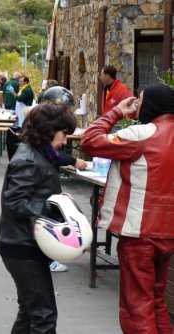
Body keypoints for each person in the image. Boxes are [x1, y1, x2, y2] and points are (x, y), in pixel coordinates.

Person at [81, 83, 174, 333]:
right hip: (167, 231)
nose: (137, 104)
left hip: (139, 231)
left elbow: (90, 141)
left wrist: (117, 112)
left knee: (137, 309)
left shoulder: (141, 134)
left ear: (151, 104)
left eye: (140, 100)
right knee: (157, 303)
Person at [0, 103, 78, 333]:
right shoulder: (29, 159)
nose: (65, 142)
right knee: (43, 316)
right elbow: (14, 203)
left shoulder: (37, 154)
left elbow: (26, 196)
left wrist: (54, 199)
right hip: (23, 247)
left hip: (23, 244)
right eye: (64, 135)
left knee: (30, 313)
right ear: (49, 130)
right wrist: (53, 206)